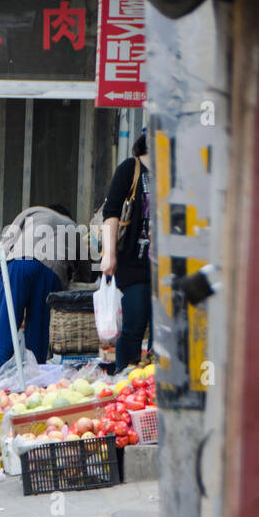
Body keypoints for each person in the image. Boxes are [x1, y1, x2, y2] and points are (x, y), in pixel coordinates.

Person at [0, 205, 77, 377]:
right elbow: (82, 268)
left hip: (19, 262)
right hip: (51, 271)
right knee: (39, 331)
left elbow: (6, 243)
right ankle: (35, 379)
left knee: (6, 325)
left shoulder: (33, 212)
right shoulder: (72, 225)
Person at [100, 129, 153, 371]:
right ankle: (124, 383)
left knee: (165, 334)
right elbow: (111, 212)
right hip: (134, 264)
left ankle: (153, 389)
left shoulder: (178, 169)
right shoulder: (130, 168)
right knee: (133, 326)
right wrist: (109, 254)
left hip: (169, 269)